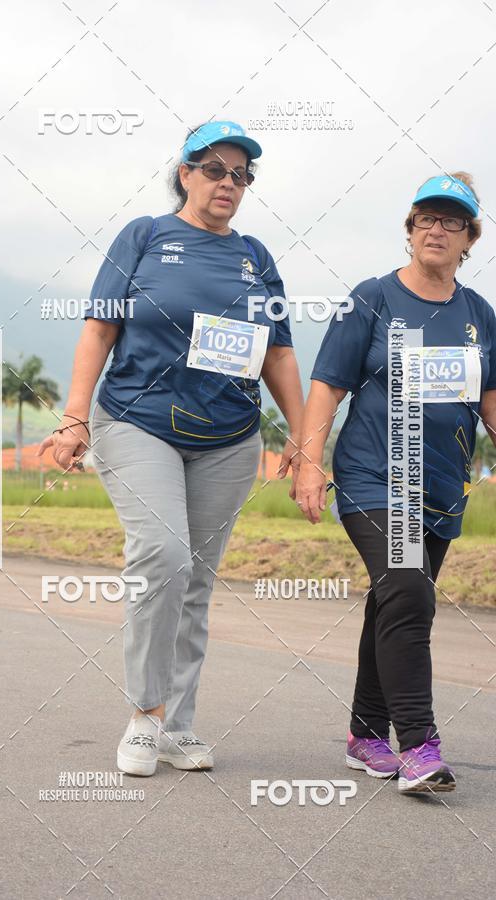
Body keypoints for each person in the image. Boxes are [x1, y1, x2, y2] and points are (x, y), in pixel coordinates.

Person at [38, 120, 304, 776]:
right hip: (137, 420)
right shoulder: (146, 237)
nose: (228, 183)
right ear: (185, 173)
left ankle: (180, 725)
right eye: (214, 169)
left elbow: (280, 354)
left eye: (241, 175)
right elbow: (99, 329)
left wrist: (304, 438)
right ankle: (144, 714)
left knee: (196, 582)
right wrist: (75, 419)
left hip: (230, 439)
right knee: (162, 553)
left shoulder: (256, 258)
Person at [296, 172, 496, 795]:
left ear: (470, 238)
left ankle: (364, 733)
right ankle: (419, 746)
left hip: (441, 488)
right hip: (374, 476)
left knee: (392, 601)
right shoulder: (372, 298)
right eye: (427, 219)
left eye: (453, 221)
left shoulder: (479, 314)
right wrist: (308, 458)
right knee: (410, 596)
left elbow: (490, 401)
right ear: (410, 230)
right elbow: (328, 382)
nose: (438, 229)